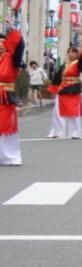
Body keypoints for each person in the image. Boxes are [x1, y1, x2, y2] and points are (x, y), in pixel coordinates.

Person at [48, 36, 82, 140]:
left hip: (73, 90)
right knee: (57, 111)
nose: (71, 54)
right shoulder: (64, 65)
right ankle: (56, 132)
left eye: (74, 52)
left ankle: (75, 132)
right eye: (70, 52)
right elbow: (57, 77)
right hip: (62, 89)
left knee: (74, 112)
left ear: (77, 54)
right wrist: (53, 89)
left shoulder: (78, 64)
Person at [0, 21, 23, 165]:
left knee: (5, 126)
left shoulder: (12, 59)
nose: (0, 45)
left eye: (3, 42)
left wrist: (13, 30)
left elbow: (19, 46)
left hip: (5, 97)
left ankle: (9, 156)